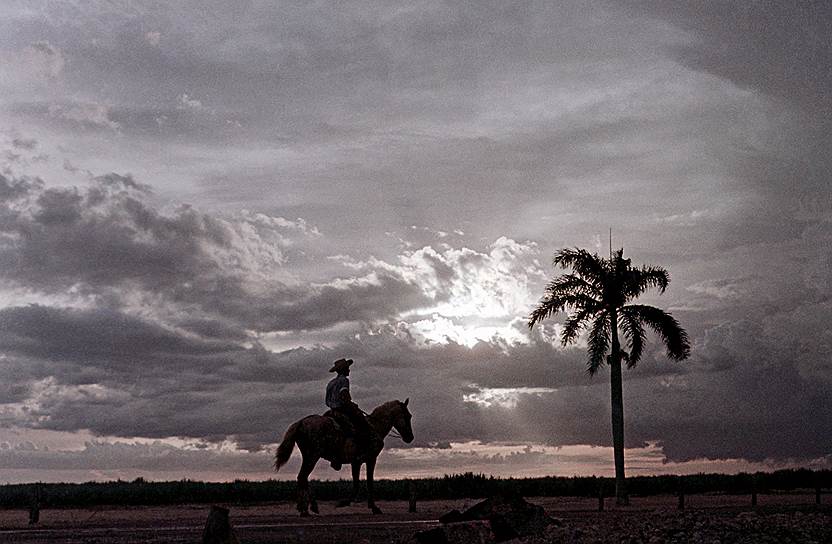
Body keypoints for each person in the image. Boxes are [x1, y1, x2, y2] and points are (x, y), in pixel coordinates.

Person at [324, 358, 377, 470]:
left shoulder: (331, 383)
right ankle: (360, 452)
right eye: (347, 368)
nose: (349, 370)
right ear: (343, 369)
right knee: (363, 426)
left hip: (332, 410)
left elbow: (327, 400)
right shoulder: (344, 381)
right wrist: (351, 405)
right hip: (342, 409)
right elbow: (344, 396)